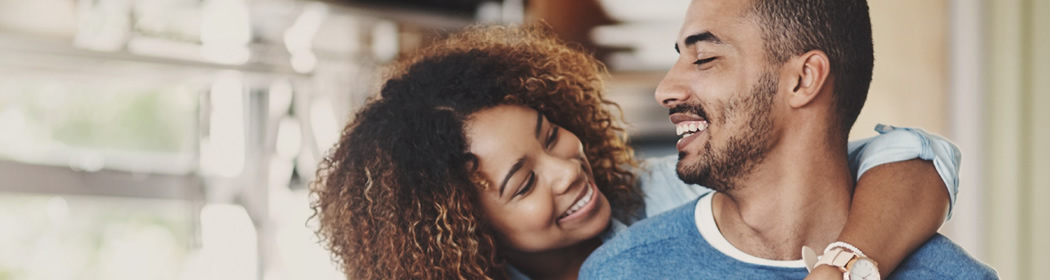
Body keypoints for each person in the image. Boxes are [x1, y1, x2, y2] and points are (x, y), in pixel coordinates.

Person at [311, 25, 959, 280]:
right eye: (522, 184)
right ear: (465, 234)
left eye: (548, 134)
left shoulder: (669, 194)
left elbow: (912, 156)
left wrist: (846, 265)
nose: (567, 170)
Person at [578, 0, 996, 279]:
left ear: (802, 79)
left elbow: (919, 153)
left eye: (704, 58)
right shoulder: (620, 270)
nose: (665, 89)